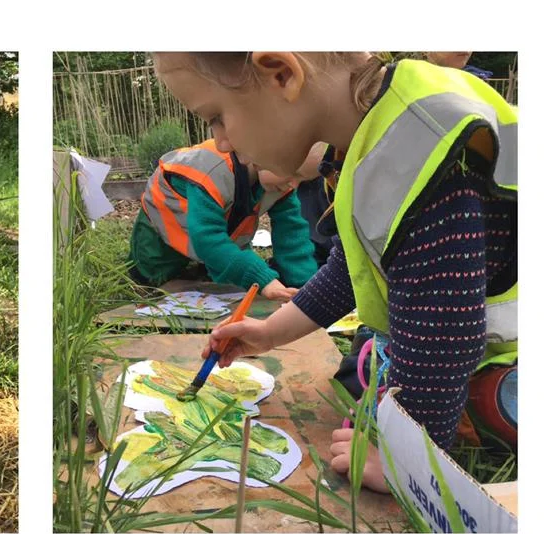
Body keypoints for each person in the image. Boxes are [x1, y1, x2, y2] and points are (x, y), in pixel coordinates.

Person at [159, 52, 518, 489]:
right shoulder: (381, 131)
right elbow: (353, 269)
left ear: (282, 74)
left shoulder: (419, 150)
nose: (221, 143)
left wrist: (407, 458)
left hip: (505, 359)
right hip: (455, 349)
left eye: (216, 116)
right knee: (358, 387)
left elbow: (445, 331)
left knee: (498, 416)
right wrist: (270, 332)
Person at [131, 137, 322, 299]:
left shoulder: (282, 183)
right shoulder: (211, 172)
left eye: (302, 180)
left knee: (223, 285)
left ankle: (202, 274)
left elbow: (293, 238)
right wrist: (262, 278)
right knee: (153, 282)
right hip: (163, 224)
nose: (295, 185)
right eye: (293, 174)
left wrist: (306, 288)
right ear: (262, 153)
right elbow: (208, 242)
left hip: (220, 221)